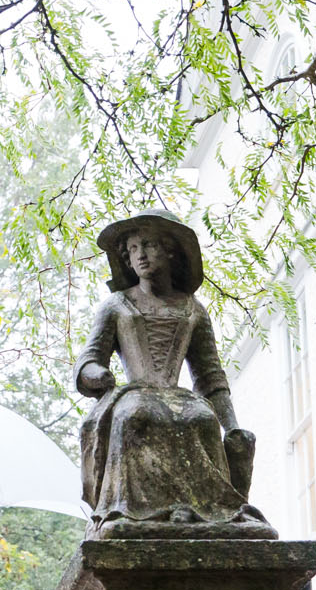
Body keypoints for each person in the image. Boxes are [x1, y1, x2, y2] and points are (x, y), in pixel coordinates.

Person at [75, 210, 271, 538]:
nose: (140, 255)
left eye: (148, 245)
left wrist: (232, 426)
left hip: (178, 396)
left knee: (200, 417)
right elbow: (90, 359)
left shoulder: (193, 309)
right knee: (137, 414)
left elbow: (210, 376)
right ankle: (127, 510)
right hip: (133, 394)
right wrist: (96, 375)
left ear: (170, 251)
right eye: (133, 249)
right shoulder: (116, 305)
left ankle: (206, 510)